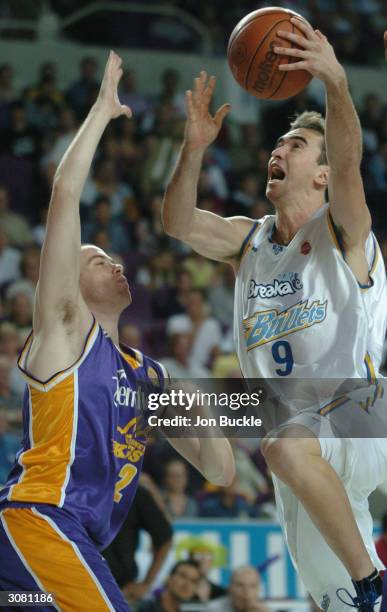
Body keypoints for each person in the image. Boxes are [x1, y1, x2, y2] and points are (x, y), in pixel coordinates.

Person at [162, 19, 387, 612]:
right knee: (327, 594)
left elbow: (347, 164)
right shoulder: (249, 241)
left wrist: (335, 82)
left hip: (359, 408)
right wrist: (194, 146)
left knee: (282, 447)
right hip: (292, 424)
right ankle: (364, 588)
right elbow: (178, 223)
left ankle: (371, 579)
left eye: (296, 145)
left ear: (319, 173)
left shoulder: (342, 227)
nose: (277, 150)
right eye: (278, 144)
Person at [0, 51, 235, 612]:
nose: (114, 262)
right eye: (96, 259)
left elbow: (221, 472)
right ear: (68, 285)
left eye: (113, 256)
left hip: (68, 547)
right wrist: (103, 113)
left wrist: (203, 410)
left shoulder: (147, 373)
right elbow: (64, 196)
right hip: (39, 520)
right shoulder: (63, 333)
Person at [103, 484, 173, 603]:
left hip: (119, 587)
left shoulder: (134, 492)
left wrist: (146, 584)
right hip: (75, 582)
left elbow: (164, 537)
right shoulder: (70, 482)